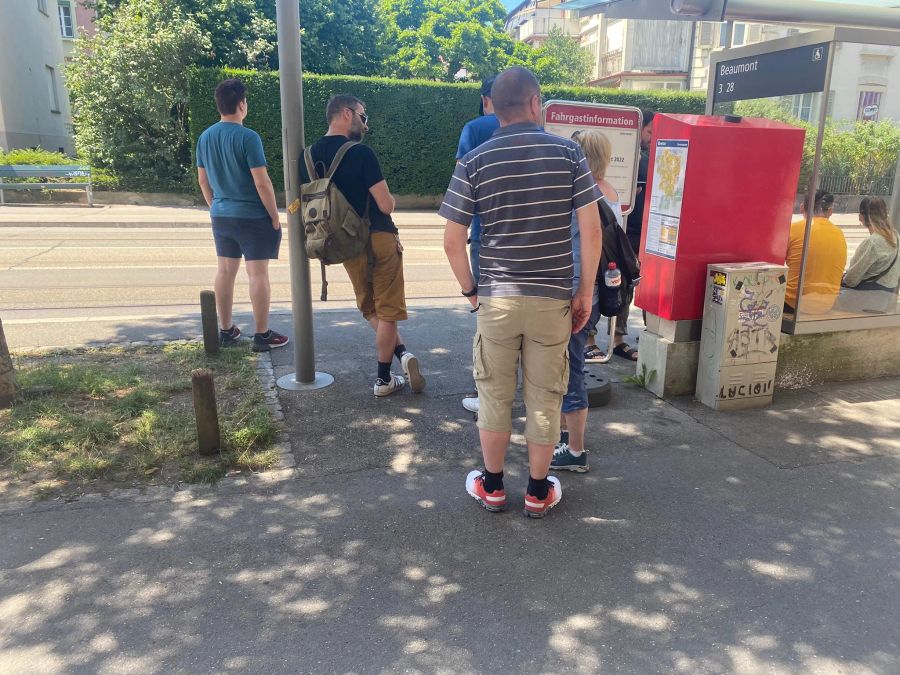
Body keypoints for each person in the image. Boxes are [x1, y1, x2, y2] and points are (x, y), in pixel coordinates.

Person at [440, 67, 602, 519]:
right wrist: (583, 292)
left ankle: (491, 487)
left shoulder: (475, 160)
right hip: (553, 300)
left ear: (492, 106)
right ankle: (536, 491)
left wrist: (473, 294)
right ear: (536, 104)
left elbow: (453, 241)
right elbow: (590, 232)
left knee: (494, 394)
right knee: (545, 396)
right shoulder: (569, 154)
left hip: (498, 299)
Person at [299, 94, 425, 397]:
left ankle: (402, 355)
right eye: (362, 116)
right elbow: (385, 204)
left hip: (344, 244)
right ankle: (383, 379)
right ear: (346, 114)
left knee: (370, 308)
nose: (365, 124)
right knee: (389, 310)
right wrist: (392, 198)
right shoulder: (361, 153)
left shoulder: (305, 159)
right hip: (380, 237)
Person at [196, 78, 289, 353]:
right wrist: (274, 215)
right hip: (252, 216)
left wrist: (216, 206)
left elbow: (203, 180)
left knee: (225, 271)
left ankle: (226, 330)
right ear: (241, 104)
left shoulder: (205, 137)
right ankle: (262, 335)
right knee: (257, 274)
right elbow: (262, 182)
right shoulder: (249, 137)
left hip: (221, 215)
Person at [550, 130, 610, 473]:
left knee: (569, 370)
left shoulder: (580, 195)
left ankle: (575, 450)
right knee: (567, 365)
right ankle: (565, 438)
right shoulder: (609, 192)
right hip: (592, 290)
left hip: (574, 291)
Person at [456, 77, 500, 415]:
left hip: (485, 234)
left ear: (486, 99)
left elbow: (462, 185)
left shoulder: (474, 128)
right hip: (528, 244)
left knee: (487, 315)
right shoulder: (540, 132)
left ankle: (486, 392)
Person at [606, 109, 655, 363]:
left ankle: (618, 339)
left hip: (636, 233)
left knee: (626, 285)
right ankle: (594, 340)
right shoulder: (625, 159)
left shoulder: (647, 160)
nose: (651, 136)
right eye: (649, 131)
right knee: (603, 283)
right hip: (614, 231)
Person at [784, 189, 847, 315]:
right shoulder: (839, 234)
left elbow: (773, 267)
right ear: (830, 211)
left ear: (802, 208)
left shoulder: (793, 229)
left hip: (792, 303)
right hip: (826, 305)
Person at [836, 196, 900, 314]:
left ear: (861, 216)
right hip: (887, 299)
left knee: (824, 298)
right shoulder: (896, 236)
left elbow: (851, 280)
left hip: (869, 300)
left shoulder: (872, 242)